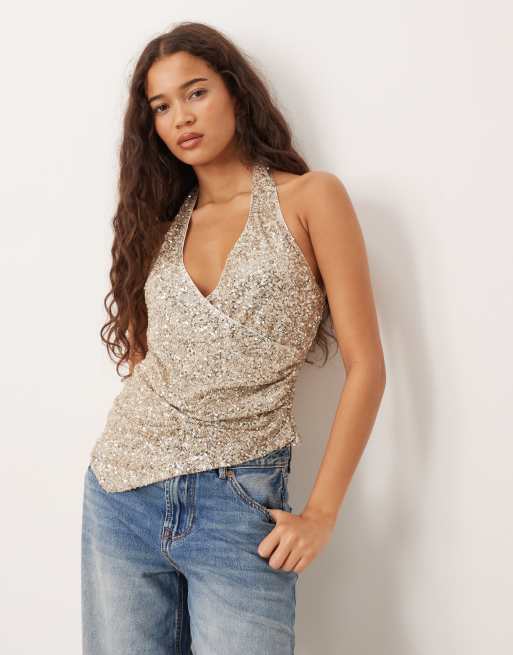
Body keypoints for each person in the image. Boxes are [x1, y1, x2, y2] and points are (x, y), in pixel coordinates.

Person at [81, 21, 386, 655]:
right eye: (161, 107)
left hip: (240, 500)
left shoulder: (311, 198)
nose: (181, 118)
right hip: (121, 492)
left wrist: (320, 515)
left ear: (236, 93)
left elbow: (367, 366)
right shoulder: (159, 225)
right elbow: (159, 357)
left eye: (195, 93)